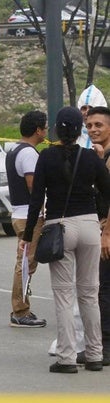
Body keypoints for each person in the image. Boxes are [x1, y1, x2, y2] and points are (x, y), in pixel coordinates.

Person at [22, 106, 110, 374]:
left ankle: (67, 357)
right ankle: (95, 354)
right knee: (89, 293)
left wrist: (28, 239)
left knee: (63, 295)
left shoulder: (46, 157)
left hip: (59, 226)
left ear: (58, 129)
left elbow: (36, 201)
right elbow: (108, 191)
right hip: (89, 226)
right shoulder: (92, 157)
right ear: (80, 129)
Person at [7, 111, 48, 328]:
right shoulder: (30, 154)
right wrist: (42, 211)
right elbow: (34, 187)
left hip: (19, 213)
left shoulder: (14, 149)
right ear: (38, 130)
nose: (46, 132)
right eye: (45, 128)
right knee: (25, 264)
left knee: (25, 262)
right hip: (28, 216)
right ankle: (20, 311)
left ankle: (22, 308)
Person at [86, 105, 110, 366]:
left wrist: (106, 234)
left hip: (107, 232)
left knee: (104, 290)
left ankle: (105, 347)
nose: (93, 129)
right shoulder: (101, 155)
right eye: (90, 125)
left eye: (99, 125)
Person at [77, 84, 107, 149]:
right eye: (84, 108)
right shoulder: (74, 135)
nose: (87, 112)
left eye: (91, 108)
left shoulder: (106, 137)